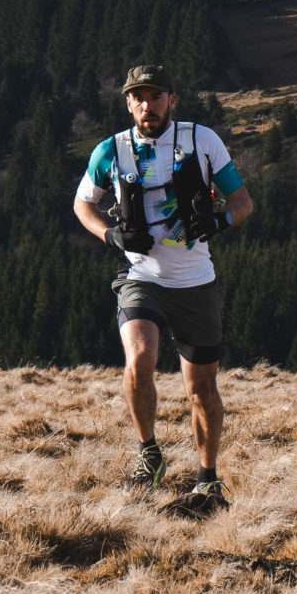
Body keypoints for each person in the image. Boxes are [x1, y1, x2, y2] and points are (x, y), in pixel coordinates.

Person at [72, 63, 254, 502]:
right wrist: (111, 235)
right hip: (140, 276)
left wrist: (220, 221)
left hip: (195, 281)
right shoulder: (110, 151)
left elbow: (243, 202)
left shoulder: (202, 141)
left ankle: (207, 479)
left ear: (172, 100)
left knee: (201, 390)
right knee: (140, 359)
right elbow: (82, 205)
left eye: (156, 97)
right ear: (128, 104)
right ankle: (148, 453)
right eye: (139, 98)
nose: (147, 106)